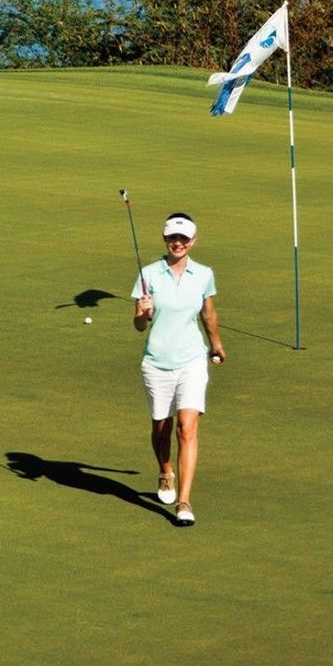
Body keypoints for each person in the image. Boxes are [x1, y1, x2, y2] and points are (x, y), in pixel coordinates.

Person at [132, 211, 226, 526]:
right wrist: (144, 313)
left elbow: (208, 313)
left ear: (193, 241)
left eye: (184, 239)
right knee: (162, 427)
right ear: (165, 239)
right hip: (157, 362)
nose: (178, 243)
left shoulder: (203, 274)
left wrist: (216, 345)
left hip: (191, 360)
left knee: (187, 427)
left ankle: (184, 502)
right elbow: (139, 327)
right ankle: (165, 471)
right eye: (173, 237)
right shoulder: (148, 274)